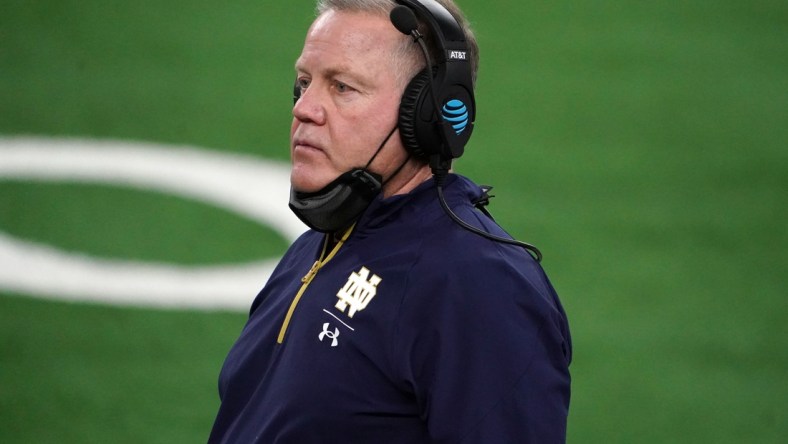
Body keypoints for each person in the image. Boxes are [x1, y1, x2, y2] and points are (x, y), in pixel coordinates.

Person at [209, 0, 572, 442]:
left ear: (428, 114)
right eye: (304, 83)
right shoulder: (319, 245)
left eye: (342, 87)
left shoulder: (478, 286)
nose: (304, 108)